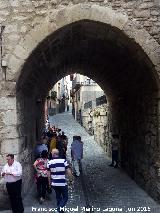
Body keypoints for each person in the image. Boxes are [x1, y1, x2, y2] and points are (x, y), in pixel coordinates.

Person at [47, 149, 74, 213]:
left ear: (53, 154)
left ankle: (60, 211)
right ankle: (58, 210)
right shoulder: (63, 161)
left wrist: (49, 183)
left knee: (58, 197)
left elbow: (48, 174)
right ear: (58, 154)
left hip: (54, 184)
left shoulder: (49, 162)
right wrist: (71, 180)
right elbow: (69, 172)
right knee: (65, 197)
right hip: (62, 183)